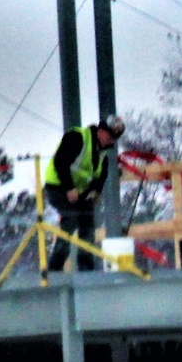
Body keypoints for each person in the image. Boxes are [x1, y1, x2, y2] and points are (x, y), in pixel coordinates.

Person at [44, 116, 125, 271]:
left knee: (87, 223)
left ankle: (86, 267)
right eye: (109, 137)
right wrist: (69, 187)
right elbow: (60, 162)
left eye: (114, 139)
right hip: (57, 186)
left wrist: (94, 192)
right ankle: (55, 268)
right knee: (70, 219)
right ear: (100, 132)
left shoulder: (103, 155)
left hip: (79, 192)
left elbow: (100, 177)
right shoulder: (78, 137)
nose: (111, 142)